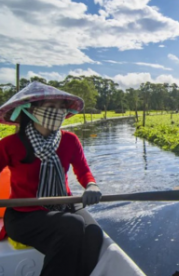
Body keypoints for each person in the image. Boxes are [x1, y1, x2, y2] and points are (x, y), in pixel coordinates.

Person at [0, 81, 103, 276]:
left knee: (94, 233)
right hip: (24, 215)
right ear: (31, 110)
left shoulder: (70, 140)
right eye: (50, 107)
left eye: (61, 108)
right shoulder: (10, 144)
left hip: (63, 205)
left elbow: (83, 171)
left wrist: (91, 185)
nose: (58, 112)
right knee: (72, 225)